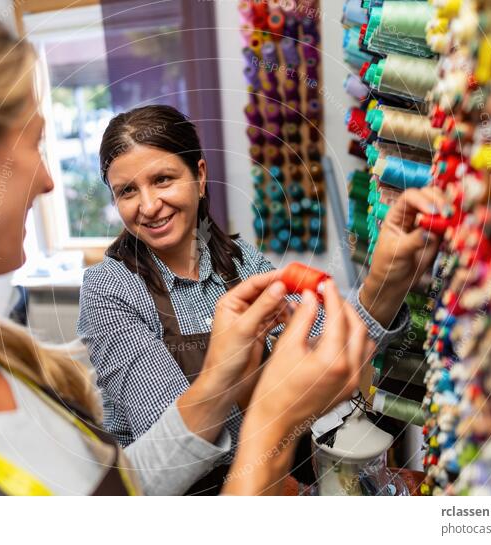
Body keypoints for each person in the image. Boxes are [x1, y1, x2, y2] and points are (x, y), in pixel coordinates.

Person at [0, 0, 377, 496]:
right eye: (35, 144)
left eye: (164, 181)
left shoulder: (5, 365)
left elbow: (119, 491)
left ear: (201, 178)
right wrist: (271, 427)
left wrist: (228, 383)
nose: (49, 182)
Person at [77, 106, 445, 493]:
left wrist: (387, 278)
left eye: (163, 179)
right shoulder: (109, 290)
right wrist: (255, 387)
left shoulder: (239, 261)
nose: (148, 206)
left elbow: (327, 344)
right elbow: (175, 451)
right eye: (127, 191)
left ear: (199, 177)